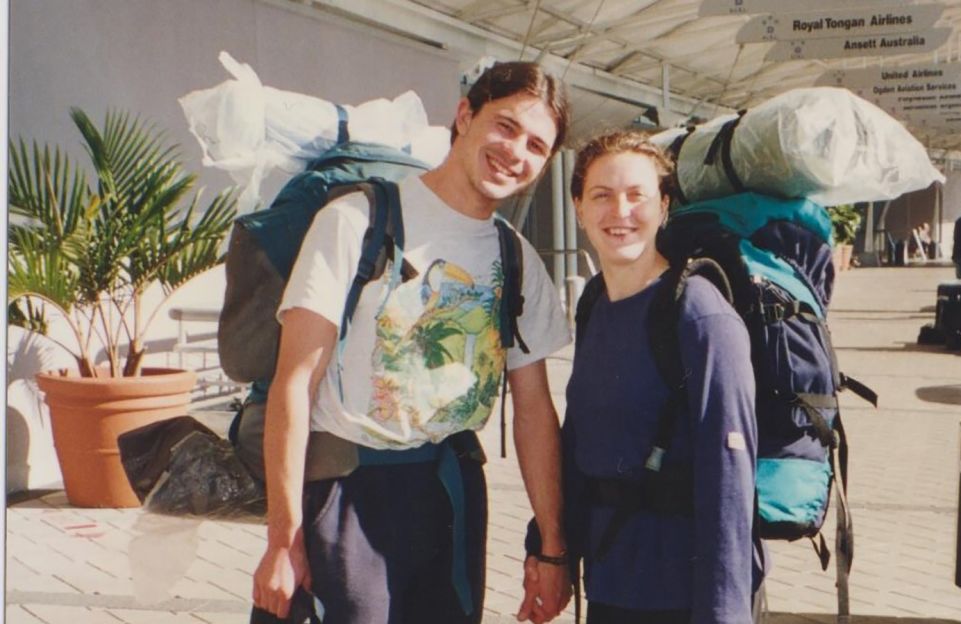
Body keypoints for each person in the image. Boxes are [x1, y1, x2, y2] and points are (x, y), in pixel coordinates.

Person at [252, 62, 573, 624]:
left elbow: (535, 412)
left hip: (449, 496)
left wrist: (552, 546)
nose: (516, 152)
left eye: (537, 146)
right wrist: (282, 540)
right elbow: (293, 384)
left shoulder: (516, 259)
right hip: (348, 492)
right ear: (465, 115)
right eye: (505, 126)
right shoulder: (357, 220)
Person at [520, 131, 760, 623]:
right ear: (579, 209)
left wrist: (724, 613)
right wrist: (548, 548)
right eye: (601, 196)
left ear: (664, 206)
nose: (620, 212)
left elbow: (730, 484)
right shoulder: (594, 304)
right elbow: (582, 440)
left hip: (682, 597)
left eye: (637, 196)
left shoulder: (699, 316)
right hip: (612, 583)